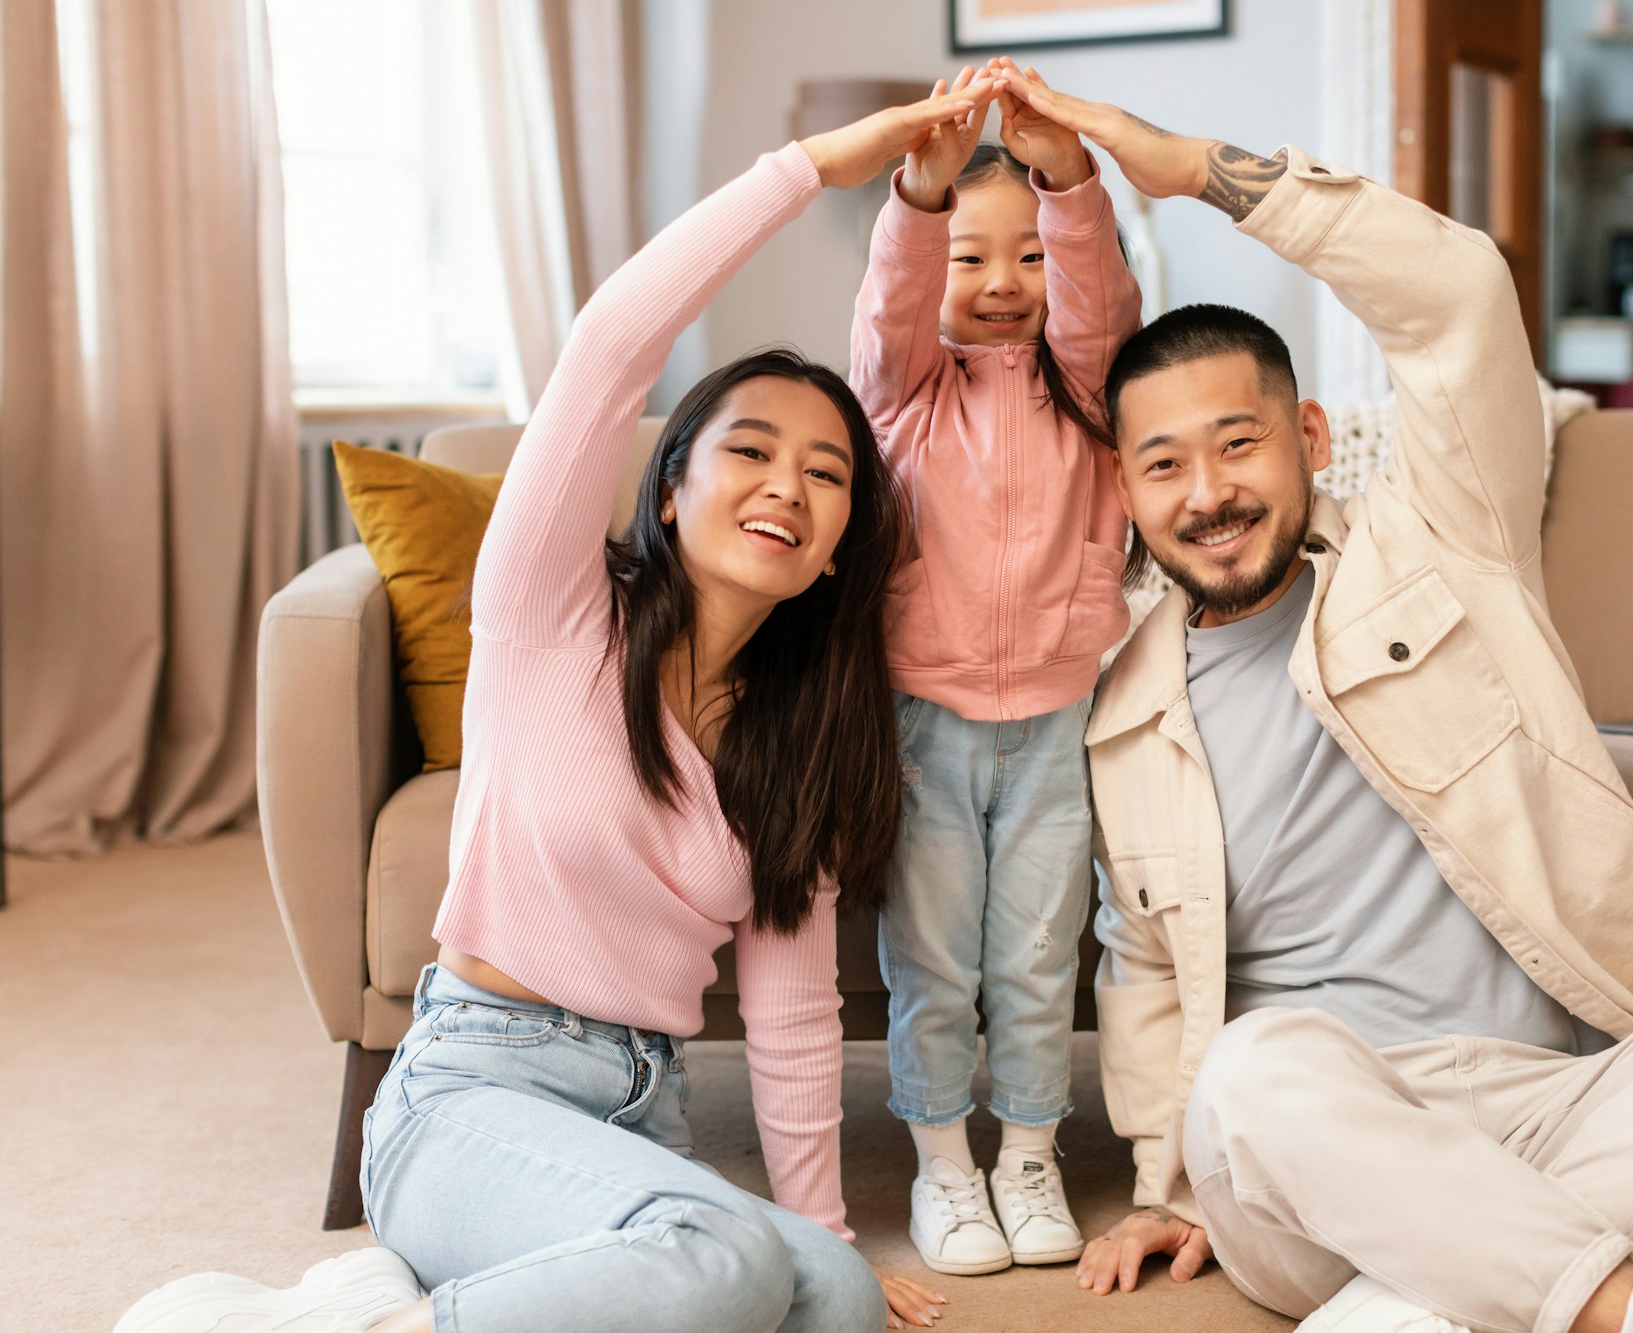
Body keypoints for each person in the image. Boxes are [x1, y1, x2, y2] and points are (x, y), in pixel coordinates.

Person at [989, 65, 1633, 1333]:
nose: (1207, 492)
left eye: (1236, 443)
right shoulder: (1121, 710)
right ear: (1128, 493)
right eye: (1163, 465)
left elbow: (1458, 293)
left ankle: (1414, 1301)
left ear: (1309, 436)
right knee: (1255, 1069)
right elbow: (1138, 970)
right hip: (1322, 1140)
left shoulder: (1443, 545)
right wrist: (1165, 1184)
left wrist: (1194, 165)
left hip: (1553, 1090)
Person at [113, 87, 991, 1333]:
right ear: (669, 483)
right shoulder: (550, 612)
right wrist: (810, 166)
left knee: (834, 1299)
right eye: (749, 450)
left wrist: (829, 1238)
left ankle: (398, 1292)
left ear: (842, 546)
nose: (787, 484)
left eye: (826, 472)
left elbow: (793, 1021)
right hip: (470, 1087)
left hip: (641, 1114)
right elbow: (607, 346)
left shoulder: (801, 740)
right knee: (716, 1257)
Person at [851, 61, 1141, 1276]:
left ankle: (1026, 1150)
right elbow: (887, 308)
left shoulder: (1090, 393)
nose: (1004, 282)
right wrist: (920, 199)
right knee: (929, 956)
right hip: (925, 717)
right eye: (971, 258)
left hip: (1058, 720)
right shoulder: (900, 396)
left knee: (1033, 951)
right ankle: (939, 1163)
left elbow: (1100, 309)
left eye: (1028, 255)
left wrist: (1065, 174)